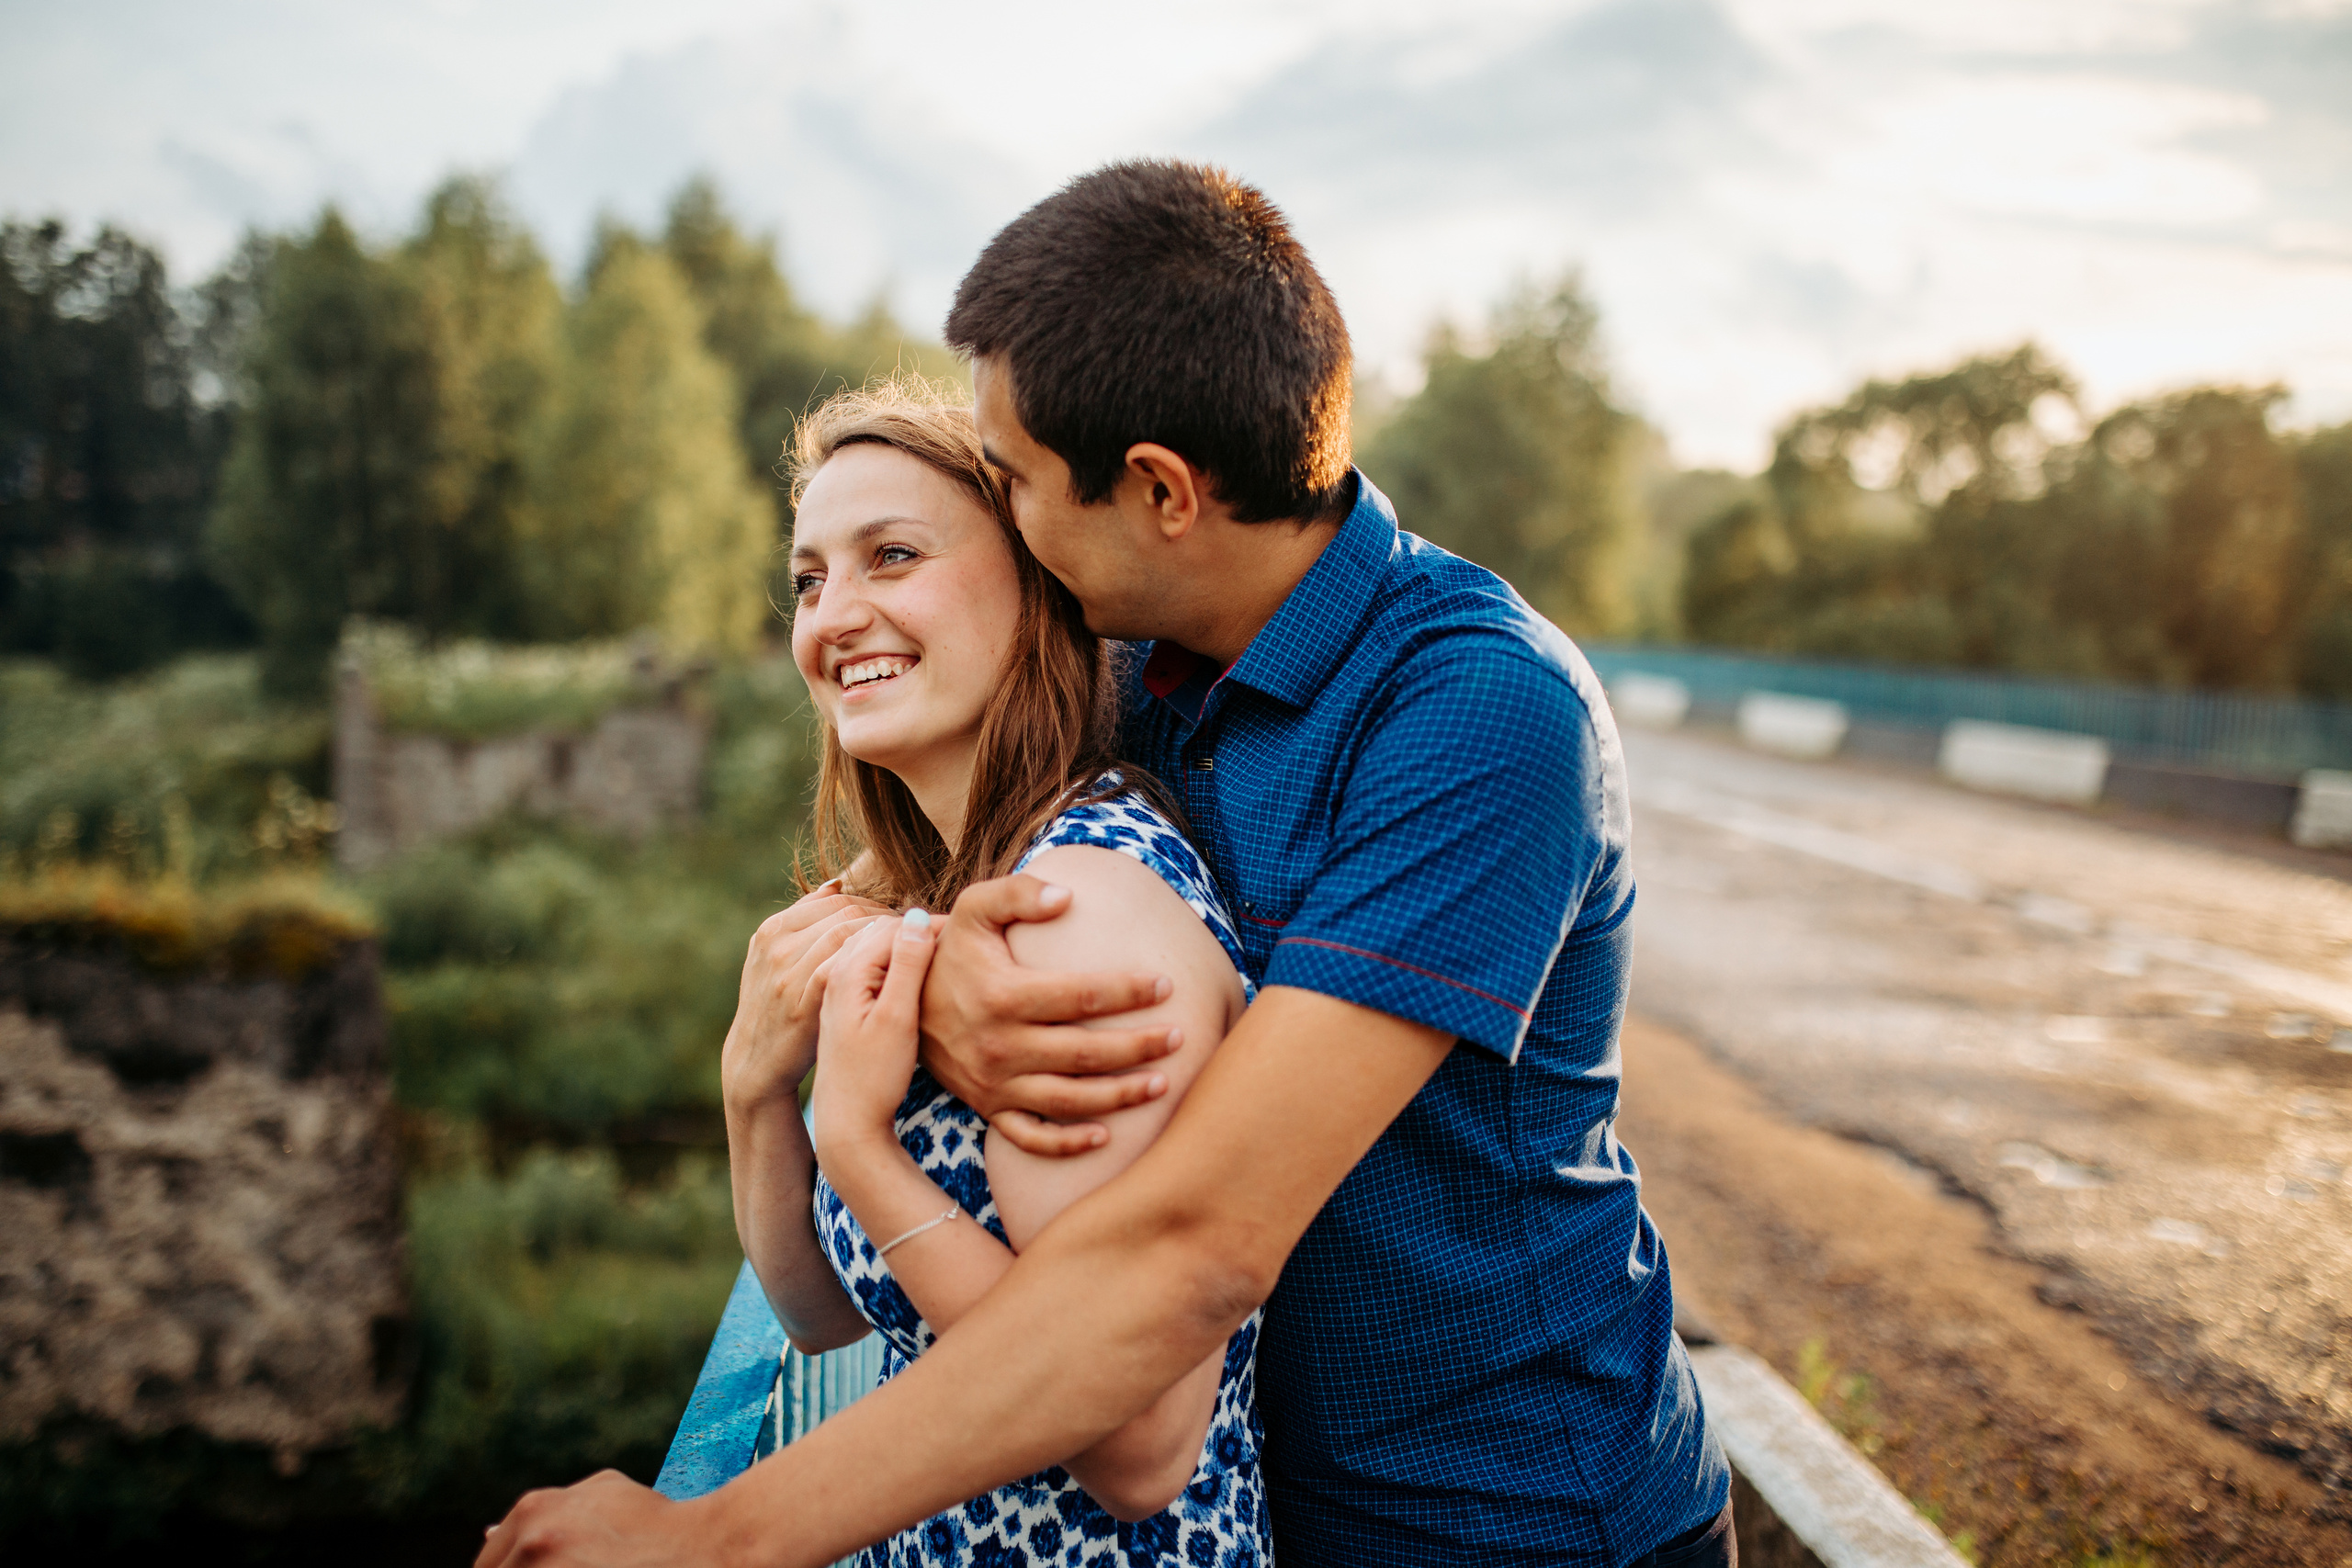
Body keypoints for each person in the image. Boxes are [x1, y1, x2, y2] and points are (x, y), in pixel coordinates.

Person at [480, 159, 1732, 1568]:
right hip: (1280, 1505)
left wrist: (713, 1541)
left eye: (1008, 482)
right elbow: (984, 853)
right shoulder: (1135, 664)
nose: (1002, 517)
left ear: (1158, 491)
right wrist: (915, 975)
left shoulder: (1477, 717)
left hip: (1517, 1518)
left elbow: (1193, 1246)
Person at [718, 380, 1271, 1565]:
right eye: (812, 578)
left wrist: (862, 1147)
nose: (836, 615)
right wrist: (756, 1090)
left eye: (893, 556)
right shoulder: (940, 891)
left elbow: (1136, 1445)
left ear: (1040, 590)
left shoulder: (1076, 915)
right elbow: (824, 1322)